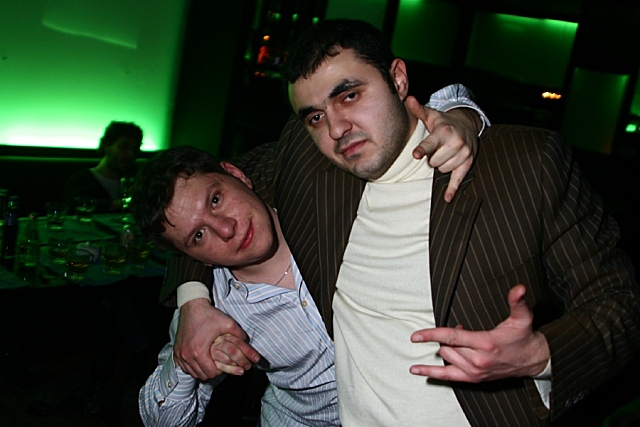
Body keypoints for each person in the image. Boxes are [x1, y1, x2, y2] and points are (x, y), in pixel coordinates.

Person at [164, 19, 639, 426]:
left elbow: (620, 303)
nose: (336, 129)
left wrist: (541, 356)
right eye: (315, 117)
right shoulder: (312, 163)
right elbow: (198, 202)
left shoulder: (526, 163)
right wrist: (193, 302)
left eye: (350, 95)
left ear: (397, 78)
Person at [133, 146, 338, 426]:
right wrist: (187, 363)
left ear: (237, 175)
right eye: (199, 235)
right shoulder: (208, 312)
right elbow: (161, 422)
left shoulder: (327, 208)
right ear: (195, 259)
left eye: (215, 200)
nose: (226, 229)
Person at [63, 121, 143, 213]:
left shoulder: (139, 180)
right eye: (123, 147)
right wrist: (115, 205)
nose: (131, 154)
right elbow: (74, 207)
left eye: (135, 149)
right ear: (106, 146)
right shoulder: (81, 181)